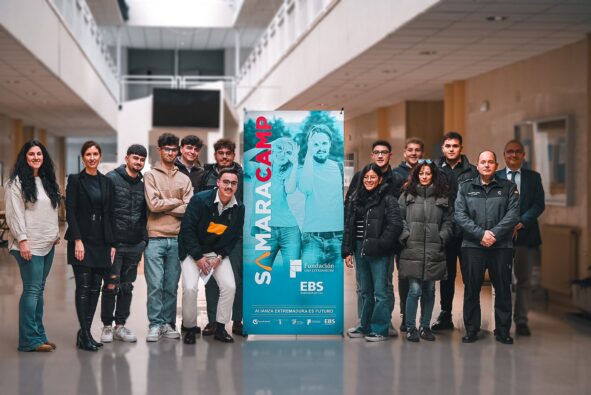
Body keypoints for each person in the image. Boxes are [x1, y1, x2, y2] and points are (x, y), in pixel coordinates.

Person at [455, 151, 519, 344]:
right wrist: (481, 234)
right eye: (483, 162)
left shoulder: (508, 187)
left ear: (496, 165)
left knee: (502, 289)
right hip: (472, 246)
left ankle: (502, 331)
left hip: (502, 247)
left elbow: (513, 215)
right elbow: (460, 215)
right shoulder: (465, 187)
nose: (487, 165)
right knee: (472, 289)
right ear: (477, 164)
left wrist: (494, 235)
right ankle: (472, 330)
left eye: (490, 162)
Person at [5, 140, 61, 352]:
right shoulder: (16, 183)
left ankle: (39, 335)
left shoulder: (47, 181)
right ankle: (29, 340)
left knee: (39, 290)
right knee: (32, 290)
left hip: (47, 243)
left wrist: (55, 233)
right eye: (31, 154)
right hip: (29, 245)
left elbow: (51, 210)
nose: (36, 157)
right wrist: (22, 240)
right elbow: (15, 215)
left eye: (39, 154)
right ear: (24, 157)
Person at [179, 168, 245, 344]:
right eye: (226, 182)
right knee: (191, 288)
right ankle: (190, 327)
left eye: (233, 183)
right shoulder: (200, 200)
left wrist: (220, 256)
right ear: (218, 183)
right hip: (192, 250)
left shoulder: (239, 207)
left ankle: (221, 327)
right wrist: (198, 257)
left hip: (215, 252)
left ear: (237, 186)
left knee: (230, 286)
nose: (229, 186)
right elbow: (187, 230)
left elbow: (233, 236)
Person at [345, 140, 403, 338]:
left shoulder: (388, 198)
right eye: (366, 177)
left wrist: (382, 245)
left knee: (381, 291)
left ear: (379, 180)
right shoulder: (356, 199)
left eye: (373, 177)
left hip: (379, 250)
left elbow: (395, 225)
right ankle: (364, 325)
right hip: (361, 248)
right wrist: (347, 249)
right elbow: (349, 223)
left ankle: (381, 328)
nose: (369, 180)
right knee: (364, 291)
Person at [65, 141, 115, 351]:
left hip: (102, 241)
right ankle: (85, 333)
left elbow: (110, 214)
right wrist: (78, 240)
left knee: (96, 288)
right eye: (88, 154)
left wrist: (112, 243)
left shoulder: (107, 182)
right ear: (83, 157)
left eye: (95, 154)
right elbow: (71, 211)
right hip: (83, 240)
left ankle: (84, 333)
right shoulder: (76, 180)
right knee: (84, 287)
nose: (92, 157)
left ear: (100, 156)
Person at [143, 133, 193, 342]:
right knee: (155, 284)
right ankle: (154, 324)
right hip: (154, 237)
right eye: (167, 149)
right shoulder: (150, 176)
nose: (171, 153)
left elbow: (189, 207)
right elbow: (152, 205)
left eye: (174, 149)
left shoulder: (184, 178)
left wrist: (165, 204)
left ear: (178, 151)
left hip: (177, 239)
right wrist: (176, 202)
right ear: (159, 150)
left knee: (171, 285)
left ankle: (167, 323)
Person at [398, 160, 453, 342]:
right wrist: (406, 236)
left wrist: (442, 236)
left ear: (433, 176)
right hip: (411, 248)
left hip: (433, 248)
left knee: (429, 289)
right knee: (414, 290)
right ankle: (411, 327)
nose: (424, 177)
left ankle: (425, 326)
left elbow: (448, 221)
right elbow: (399, 219)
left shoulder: (442, 196)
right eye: (421, 173)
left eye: (428, 174)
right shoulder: (407, 195)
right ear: (416, 175)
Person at [99, 144, 148, 343]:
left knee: (127, 286)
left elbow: (146, 213)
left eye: (142, 159)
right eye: (135, 158)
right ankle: (106, 327)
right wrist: (108, 242)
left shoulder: (144, 183)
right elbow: (104, 212)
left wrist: (143, 239)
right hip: (114, 245)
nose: (138, 162)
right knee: (111, 284)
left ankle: (120, 326)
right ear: (127, 158)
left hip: (135, 244)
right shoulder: (111, 179)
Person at [496, 139, 545, 336]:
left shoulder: (533, 178)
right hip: (502, 238)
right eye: (509, 152)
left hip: (526, 236)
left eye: (517, 152)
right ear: (504, 155)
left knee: (524, 281)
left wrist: (521, 222)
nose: (513, 155)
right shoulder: (495, 177)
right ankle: (503, 321)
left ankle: (522, 320)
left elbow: (538, 205)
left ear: (523, 155)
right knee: (503, 281)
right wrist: (507, 225)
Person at [198, 138, 245, 337]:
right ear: (215, 155)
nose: (224, 156)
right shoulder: (206, 174)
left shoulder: (244, 175)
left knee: (236, 279)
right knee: (211, 279)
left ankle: (237, 320)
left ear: (233, 155)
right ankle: (213, 322)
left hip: (236, 234)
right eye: (220, 153)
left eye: (228, 153)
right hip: (212, 235)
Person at [432, 132, 477, 331]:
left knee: (470, 276)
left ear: (461, 148)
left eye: (455, 146)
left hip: (468, 233)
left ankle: (471, 318)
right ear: (442, 148)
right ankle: (445, 315)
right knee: (446, 277)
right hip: (445, 232)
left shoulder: (472, 172)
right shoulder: (432, 170)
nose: (451, 149)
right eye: (448, 145)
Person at [243, 137, 300, 268]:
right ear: (272, 152)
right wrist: (268, 144)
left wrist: (295, 163)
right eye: (279, 150)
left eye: (288, 153)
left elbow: (290, 190)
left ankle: (289, 289)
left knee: (293, 273)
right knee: (260, 272)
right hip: (265, 230)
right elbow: (244, 158)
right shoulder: (259, 170)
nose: (282, 155)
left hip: (290, 231)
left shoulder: (289, 171)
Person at [298, 124, 344, 268]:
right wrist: (308, 154)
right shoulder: (304, 168)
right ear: (309, 146)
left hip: (337, 237)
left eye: (324, 143)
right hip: (312, 239)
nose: (320, 148)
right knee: (310, 286)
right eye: (315, 144)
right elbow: (305, 188)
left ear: (330, 144)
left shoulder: (339, 167)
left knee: (333, 288)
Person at [391, 137, 424, 331]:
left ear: (422, 153)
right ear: (404, 152)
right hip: (403, 235)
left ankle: (421, 318)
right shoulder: (396, 174)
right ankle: (405, 315)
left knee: (424, 279)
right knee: (405, 276)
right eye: (410, 150)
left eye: (417, 150)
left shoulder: (428, 173)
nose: (413, 153)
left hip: (424, 235)